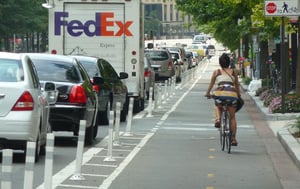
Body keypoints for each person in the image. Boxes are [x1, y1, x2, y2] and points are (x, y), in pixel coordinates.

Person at [205, 53, 241, 146]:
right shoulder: (233, 72)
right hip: (232, 95)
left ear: (220, 63)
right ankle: (233, 138)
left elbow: (211, 84)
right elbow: (237, 85)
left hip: (220, 93)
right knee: (232, 117)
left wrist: (207, 93)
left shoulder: (217, 72)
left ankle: (218, 119)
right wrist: (239, 96)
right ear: (229, 63)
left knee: (217, 105)